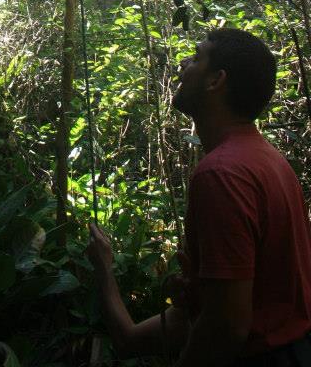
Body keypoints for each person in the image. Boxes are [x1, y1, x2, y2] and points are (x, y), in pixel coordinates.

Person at [86, 27, 311, 367]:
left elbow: (227, 328)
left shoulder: (221, 174)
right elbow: (132, 339)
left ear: (215, 81)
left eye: (195, 57)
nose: (182, 65)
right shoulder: (268, 159)